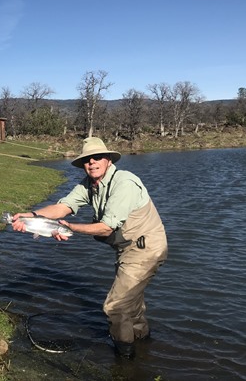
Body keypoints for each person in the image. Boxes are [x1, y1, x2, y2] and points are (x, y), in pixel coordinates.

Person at [12, 137, 167, 358]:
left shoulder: (125, 183)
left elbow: (105, 229)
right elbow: (63, 207)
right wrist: (30, 216)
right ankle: (142, 344)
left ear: (108, 160)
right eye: (87, 159)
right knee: (131, 305)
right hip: (126, 250)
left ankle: (125, 360)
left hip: (146, 248)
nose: (92, 162)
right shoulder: (89, 184)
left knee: (115, 306)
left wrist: (70, 228)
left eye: (97, 157)